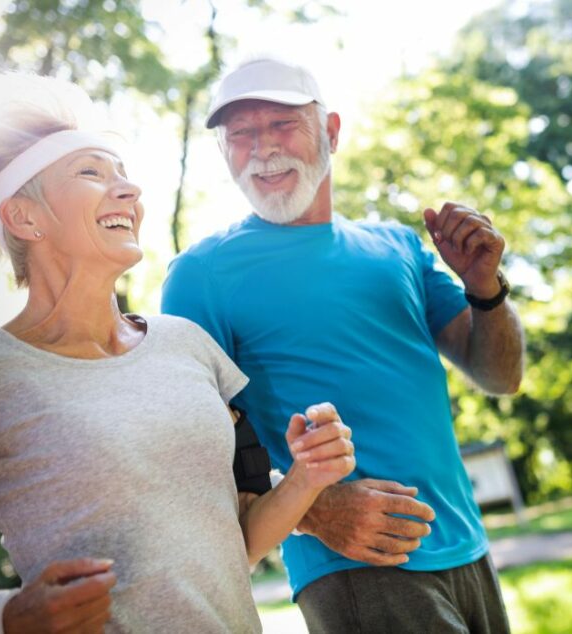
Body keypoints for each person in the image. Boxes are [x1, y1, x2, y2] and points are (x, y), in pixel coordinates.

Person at [0, 80, 356, 633]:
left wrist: (307, 476)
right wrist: (2, 618)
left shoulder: (186, 343)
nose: (129, 190)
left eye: (124, 175)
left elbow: (241, 541)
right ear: (24, 217)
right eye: (92, 173)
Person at [162, 57, 525, 632]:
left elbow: (500, 376)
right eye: (241, 135)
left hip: (467, 545)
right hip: (356, 563)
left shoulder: (397, 247)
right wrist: (315, 509)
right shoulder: (201, 273)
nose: (262, 148)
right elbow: (190, 445)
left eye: (281, 125)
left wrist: (484, 288)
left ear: (330, 132)